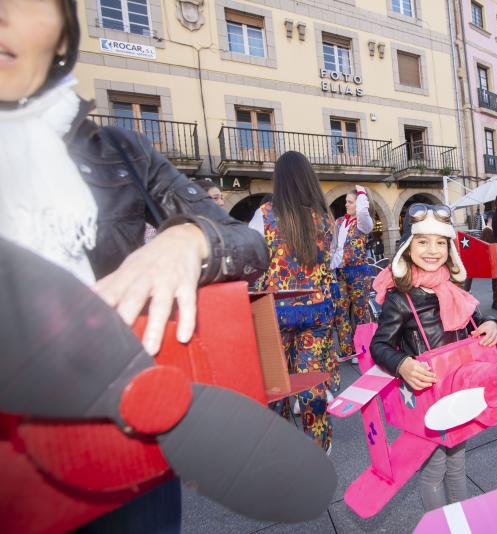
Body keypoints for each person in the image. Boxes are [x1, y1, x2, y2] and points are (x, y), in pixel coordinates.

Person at [0, 0, 269, 530]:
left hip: (120, 437)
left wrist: (187, 240)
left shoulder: (118, 149)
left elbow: (249, 244)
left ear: (62, 37)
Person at [369, 203, 497, 511]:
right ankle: (441, 523)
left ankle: (461, 522)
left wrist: (493, 324)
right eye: (423, 241)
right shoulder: (399, 298)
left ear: (450, 247)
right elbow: (380, 345)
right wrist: (402, 363)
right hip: (427, 399)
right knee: (434, 470)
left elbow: (477, 318)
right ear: (407, 246)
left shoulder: (454, 288)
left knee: (457, 464)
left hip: (459, 391)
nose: (433, 250)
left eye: (440, 242)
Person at [250, 151, 335, 452]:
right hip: (318, 310)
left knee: (276, 388)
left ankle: (283, 451)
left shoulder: (265, 215)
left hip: (275, 315)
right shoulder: (326, 219)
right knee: (313, 384)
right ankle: (319, 447)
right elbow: (329, 261)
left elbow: (251, 262)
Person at [331, 186, 375, 366]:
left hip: (358, 272)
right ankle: (347, 351)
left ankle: (363, 349)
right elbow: (334, 247)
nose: (346, 205)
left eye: (350, 202)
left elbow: (363, 211)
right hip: (340, 272)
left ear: (359, 204)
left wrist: (363, 193)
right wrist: (331, 266)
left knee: (360, 312)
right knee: (340, 312)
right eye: (346, 202)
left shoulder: (365, 222)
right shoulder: (340, 221)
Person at [480, 211, 497, 311]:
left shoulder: (490, 230)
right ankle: (496, 302)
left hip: (496, 258)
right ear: (490, 219)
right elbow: (487, 246)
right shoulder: (487, 231)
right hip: (493, 259)